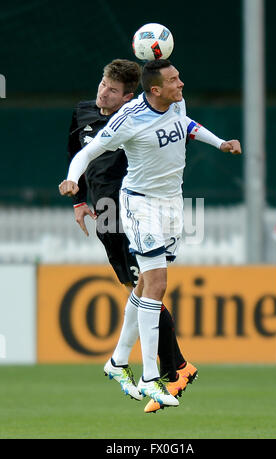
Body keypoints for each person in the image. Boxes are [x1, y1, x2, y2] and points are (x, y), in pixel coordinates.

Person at [59, 59, 241, 408]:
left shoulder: (175, 103)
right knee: (155, 283)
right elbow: (85, 152)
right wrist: (73, 184)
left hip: (171, 204)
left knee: (144, 285)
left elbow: (185, 123)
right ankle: (152, 376)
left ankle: (117, 361)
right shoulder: (126, 120)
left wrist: (219, 143)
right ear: (154, 89)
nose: (182, 84)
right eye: (174, 79)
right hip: (135, 207)